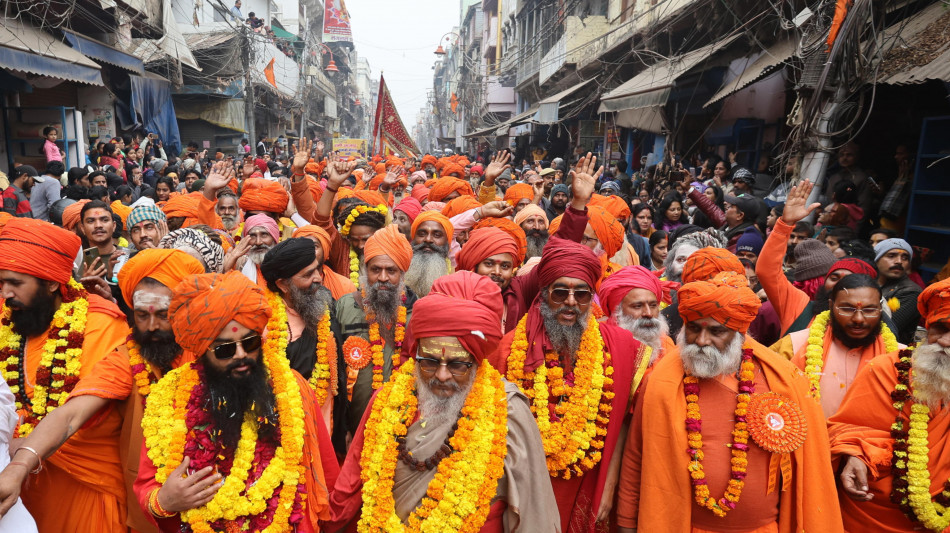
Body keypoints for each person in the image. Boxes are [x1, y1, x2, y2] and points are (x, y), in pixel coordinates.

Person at [324, 271, 560, 531]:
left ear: (476, 360)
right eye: (430, 362)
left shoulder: (508, 410)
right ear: (416, 356)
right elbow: (351, 483)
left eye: (458, 364)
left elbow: (532, 511)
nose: (442, 375)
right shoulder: (388, 401)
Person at [617, 271, 844, 533]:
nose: (702, 341)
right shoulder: (661, 382)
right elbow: (636, 456)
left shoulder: (783, 379)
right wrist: (626, 522)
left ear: (739, 334)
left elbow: (810, 464)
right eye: (693, 329)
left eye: (716, 331)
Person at [0, 249, 204, 533]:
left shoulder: (215, 352)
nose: (152, 327)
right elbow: (71, 414)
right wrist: (18, 467)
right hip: (158, 501)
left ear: (184, 310)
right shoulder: (128, 359)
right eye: (142, 315)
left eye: (163, 315)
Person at [132, 271, 339, 531]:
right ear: (203, 353)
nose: (241, 355)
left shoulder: (292, 389)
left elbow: (326, 472)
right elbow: (147, 485)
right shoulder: (170, 399)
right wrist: (164, 501)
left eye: (250, 343)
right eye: (225, 349)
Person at [489, 238, 641, 531]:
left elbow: (624, 421)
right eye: (560, 292)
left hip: (588, 478)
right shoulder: (508, 350)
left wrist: (609, 484)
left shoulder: (617, 348)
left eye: (582, 294)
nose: (571, 302)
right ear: (543, 294)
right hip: (523, 484)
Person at [0, 218, 129, 532]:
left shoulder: (101, 324)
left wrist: (26, 448)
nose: (5, 294)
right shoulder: (8, 320)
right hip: (11, 490)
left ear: (52, 283)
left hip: (82, 487)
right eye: (0, 283)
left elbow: (88, 412)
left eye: (15, 283)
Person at [827, 277, 950, 532]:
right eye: (940, 328)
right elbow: (852, 428)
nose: (945, 341)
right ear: (927, 326)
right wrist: (857, 456)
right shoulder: (886, 369)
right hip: (870, 514)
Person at [771, 274, 901, 417]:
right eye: (847, 309)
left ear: (881, 309)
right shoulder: (794, 345)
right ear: (831, 306)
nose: (858, 319)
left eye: (869, 310)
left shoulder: (901, 358)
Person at [336, 224, 415, 431]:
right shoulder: (346, 306)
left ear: (403, 273)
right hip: (353, 425)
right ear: (365, 270)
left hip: (401, 427)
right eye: (375, 270)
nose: (382, 278)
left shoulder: (417, 312)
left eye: (391, 270)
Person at [259, 238, 341, 431]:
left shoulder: (325, 305)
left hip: (327, 425)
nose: (318, 278)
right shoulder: (264, 323)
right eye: (308, 274)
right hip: (287, 427)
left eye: (317, 269)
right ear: (283, 285)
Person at [598, 265, 676, 366]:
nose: (648, 313)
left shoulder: (666, 344)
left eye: (653, 305)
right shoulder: (599, 344)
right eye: (637, 306)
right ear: (617, 312)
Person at [874, 238, 922, 345]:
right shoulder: (868, 282)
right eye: (891, 256)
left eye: (905, 258)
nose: (899, 261)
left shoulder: (911, 292)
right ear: (876, 259)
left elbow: (885, 330)